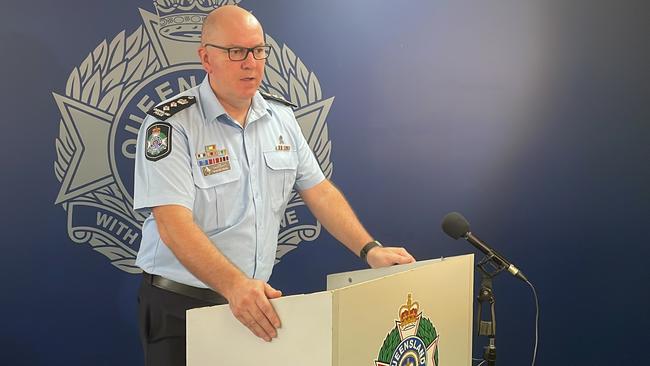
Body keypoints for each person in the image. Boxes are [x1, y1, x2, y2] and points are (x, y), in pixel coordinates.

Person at [133, 5, 416, 366]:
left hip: (253, 305)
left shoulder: (280, 117)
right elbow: (173, 225)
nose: (250, 62)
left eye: (258, 50)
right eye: (236, 52)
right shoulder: (171, 125)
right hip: (183, 308)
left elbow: (320, 191)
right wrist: (235, 286)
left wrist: (369, 249)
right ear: (206, 58)